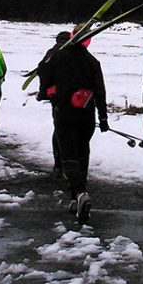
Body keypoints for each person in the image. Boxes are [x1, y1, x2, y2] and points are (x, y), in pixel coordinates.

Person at [38, 25, 109, 223]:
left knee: (68, 155)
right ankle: (74, 199)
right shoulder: (93, 61)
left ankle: (79, 193)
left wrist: (43, 94)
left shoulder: (58, 57)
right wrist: (103, 118)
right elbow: (100, 91)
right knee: (83, 153)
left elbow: (44, 78)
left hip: (64, 112)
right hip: (87, 114)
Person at [36, 31, 71, 178]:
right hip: (74, 96)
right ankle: (72, 162)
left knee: (59, 129)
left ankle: (58, 164)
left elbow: (43, 71)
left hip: (56, 97)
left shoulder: (52, 52)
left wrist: (43, 93)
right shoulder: (73, 51)